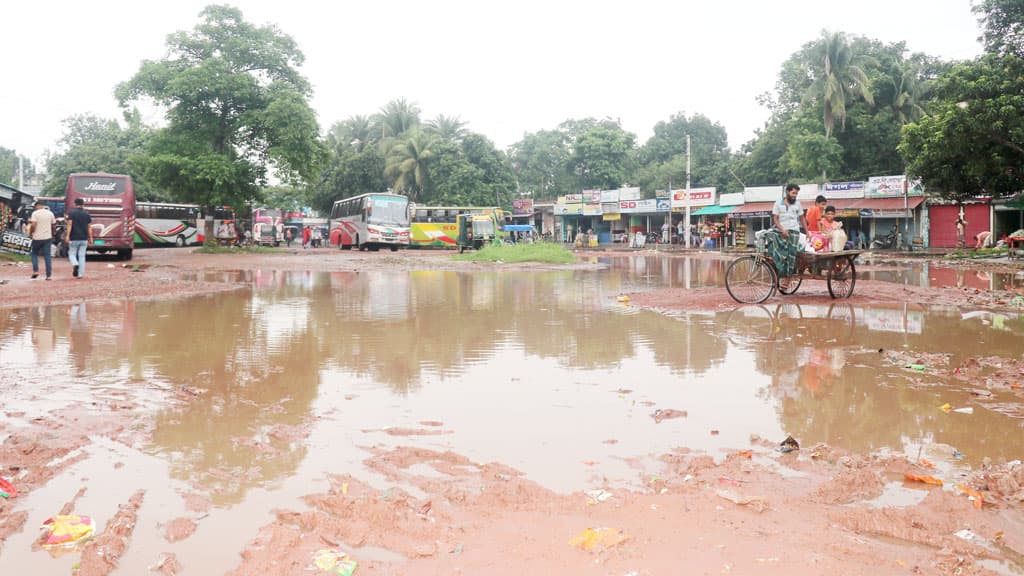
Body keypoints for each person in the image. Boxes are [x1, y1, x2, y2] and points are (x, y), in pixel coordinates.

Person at [767, 184, 807, 277]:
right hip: (781, 230)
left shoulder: (798, 204)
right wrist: (782, 230)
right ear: (787, 192)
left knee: (792, 254)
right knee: (779, 252)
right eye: (793, 193)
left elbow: (802, 219)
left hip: (794, 231)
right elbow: (776, 219)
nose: (794, 195)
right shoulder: (777, 203)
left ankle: (788, 278)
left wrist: (807, 232)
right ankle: (780, 272)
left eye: (796, 194)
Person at [27, 200, 56, 280]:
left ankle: (36, 271)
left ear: (38, 205)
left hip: (37, 237)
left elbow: (33, 225)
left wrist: (30, 234)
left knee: (34, 254)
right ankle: (48, 275)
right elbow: (53, 225)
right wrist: (53, 234)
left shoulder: (35, 213)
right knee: (47, 256)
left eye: (35, 206)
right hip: (47, 237)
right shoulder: (50, 213)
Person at [65, 197, 92, 278]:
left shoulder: (71, 213)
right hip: (84, 238)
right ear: (83, 204)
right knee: (82, 256)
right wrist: (90, 238)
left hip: (74, 237)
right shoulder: (87, 214)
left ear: (75, 204)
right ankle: (80, 274)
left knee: (72, 253)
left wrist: (67, 236)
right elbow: (89, 227)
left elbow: (69, 224)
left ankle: (75, 263)